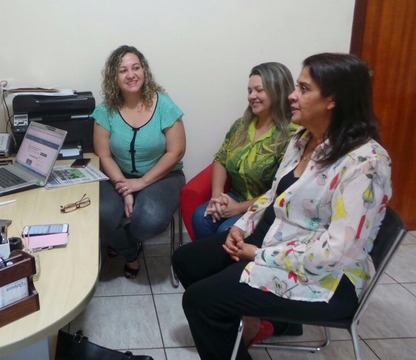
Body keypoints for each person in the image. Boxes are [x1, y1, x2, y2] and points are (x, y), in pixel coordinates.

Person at [172, 52, 392, 360]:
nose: (291, 95)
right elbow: (273, 195)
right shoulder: (303, 139)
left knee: (202, 302)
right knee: (186, 260)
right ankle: (255, 321)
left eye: (303, 89)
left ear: (332, 99)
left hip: (328, 278)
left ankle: (254, 322)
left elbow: (337, 251)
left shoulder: (365, 162)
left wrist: (258, 254)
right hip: (281, 241)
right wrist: (239, 226)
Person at [93, 45, 186, 279]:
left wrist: (142, 182)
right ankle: (131, 252)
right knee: (100, 213)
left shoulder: (164, 105)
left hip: (163, 175)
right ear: (114, 77)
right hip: (118, 174)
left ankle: (124, 242)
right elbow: (103, 155)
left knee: (150, 218)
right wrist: (124, 188)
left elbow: (176, 152)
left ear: (144, 71)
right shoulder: (105, 110)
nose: (131, 74)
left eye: (136, 67)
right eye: (123, 70)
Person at [191, 62, 297, 239]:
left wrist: (238, 208)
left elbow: (283, 191)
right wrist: (217, 196)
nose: (252, 96)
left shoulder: (292, 134)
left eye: (259, 90)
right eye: (249, 91)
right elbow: (221, 159)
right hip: (235, 195)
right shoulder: (242, 124)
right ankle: (209, 265)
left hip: (265, 206)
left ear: (277, 91)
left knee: (226, 230)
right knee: (200, 218)